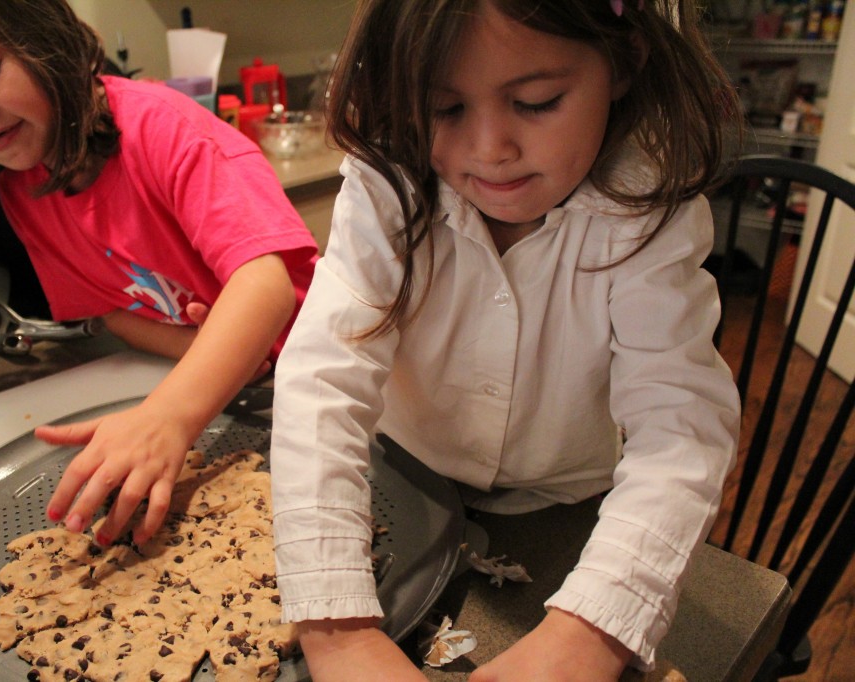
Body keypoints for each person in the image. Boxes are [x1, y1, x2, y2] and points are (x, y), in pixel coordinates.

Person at [270, 0, 743, 679]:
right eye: (445, 108)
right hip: (402, 485)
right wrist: (336, 630)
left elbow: (682, 428)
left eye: (536, 101)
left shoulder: (647, 214)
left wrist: (591, 635)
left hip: (563, 512)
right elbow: (322, 375)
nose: (490, 148)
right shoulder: (387, 185)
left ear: (623, 62)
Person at [0, 0, 318, 547]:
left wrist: (169, 416)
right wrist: (205, 350)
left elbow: (264, 283)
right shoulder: (25, 193)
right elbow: (111, 311)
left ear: (47, 38)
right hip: (251, 392)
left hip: (325, 373)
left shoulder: (163, 128)